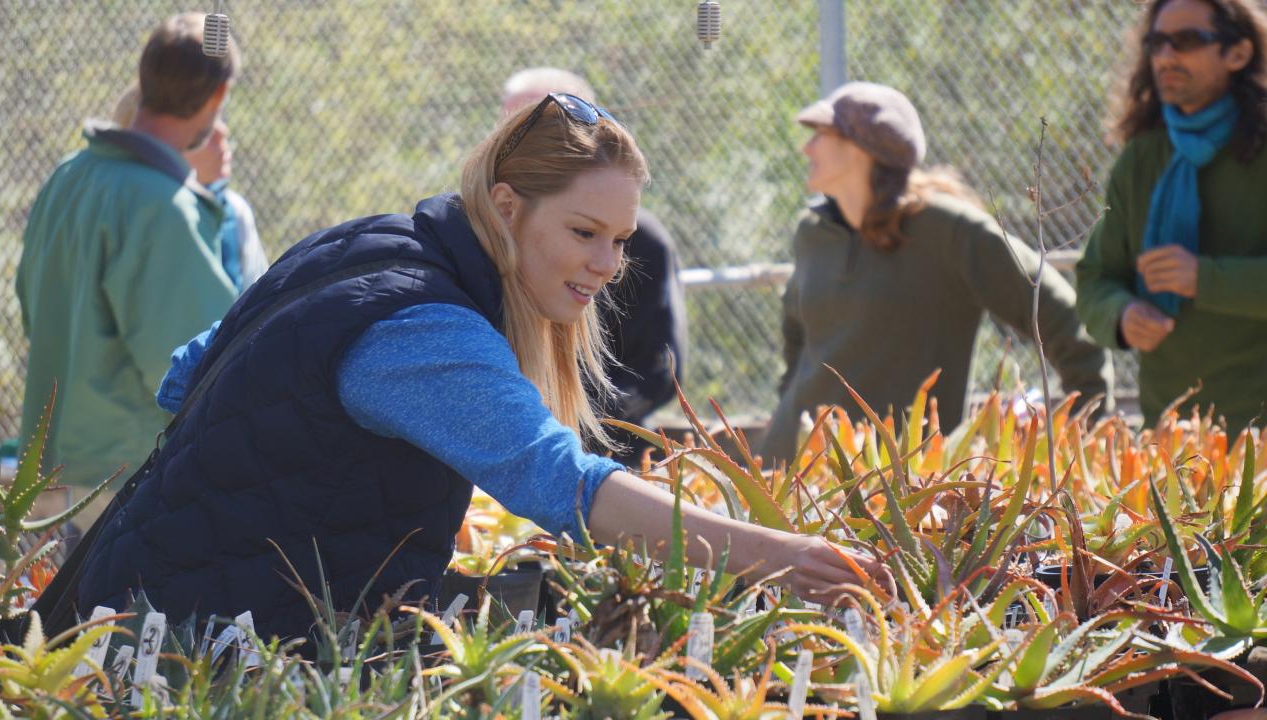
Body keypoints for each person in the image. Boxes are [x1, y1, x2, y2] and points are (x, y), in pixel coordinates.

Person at [76, 92, 887, 642]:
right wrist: (787, 559)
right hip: (196, 648)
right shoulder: (426, 328)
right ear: (506, 206)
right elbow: (562, 485)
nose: (609, 263)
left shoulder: (364, 246)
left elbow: (184, 375)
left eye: (621, 239)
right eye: (583, 232)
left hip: (128, 598)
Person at [761, 82, 1114, 465]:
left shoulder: (950, 231)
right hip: (791, 472)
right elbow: (796, 339)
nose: (806, 148)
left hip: (900, 488)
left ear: (861, 148)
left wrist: (1086, 438)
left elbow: (1066, 321)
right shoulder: (813, 232)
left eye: (821, 135)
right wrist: (786, 417)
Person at [15, 13, 240, 490]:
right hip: (120, 485)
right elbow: (202, 369)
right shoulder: (163, 208)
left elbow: (32, 310)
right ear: (219, 96)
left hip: (44, 474)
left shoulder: (68, 176)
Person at [1076, 0, 1267, 433]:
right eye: (1156, 43)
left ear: (1237, 53)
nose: (1165, 56)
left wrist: (1204, 279)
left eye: (1186, 41)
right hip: (1168, 434)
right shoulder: (1141, 158)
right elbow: (1095, 279)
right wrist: (1122, 315)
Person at [501, 68, 688, 465]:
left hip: (605, 457)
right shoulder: (475, 248)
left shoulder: (646, 244)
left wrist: (572, 429)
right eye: (511, 128)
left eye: (542, 128)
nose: (606, 264)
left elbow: (660, 368)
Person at [113, 83, 269, 293]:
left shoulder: (234, 212)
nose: (222, 132)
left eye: (220, 118)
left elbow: (258, 302)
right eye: (206, 123)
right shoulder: (128, 215)